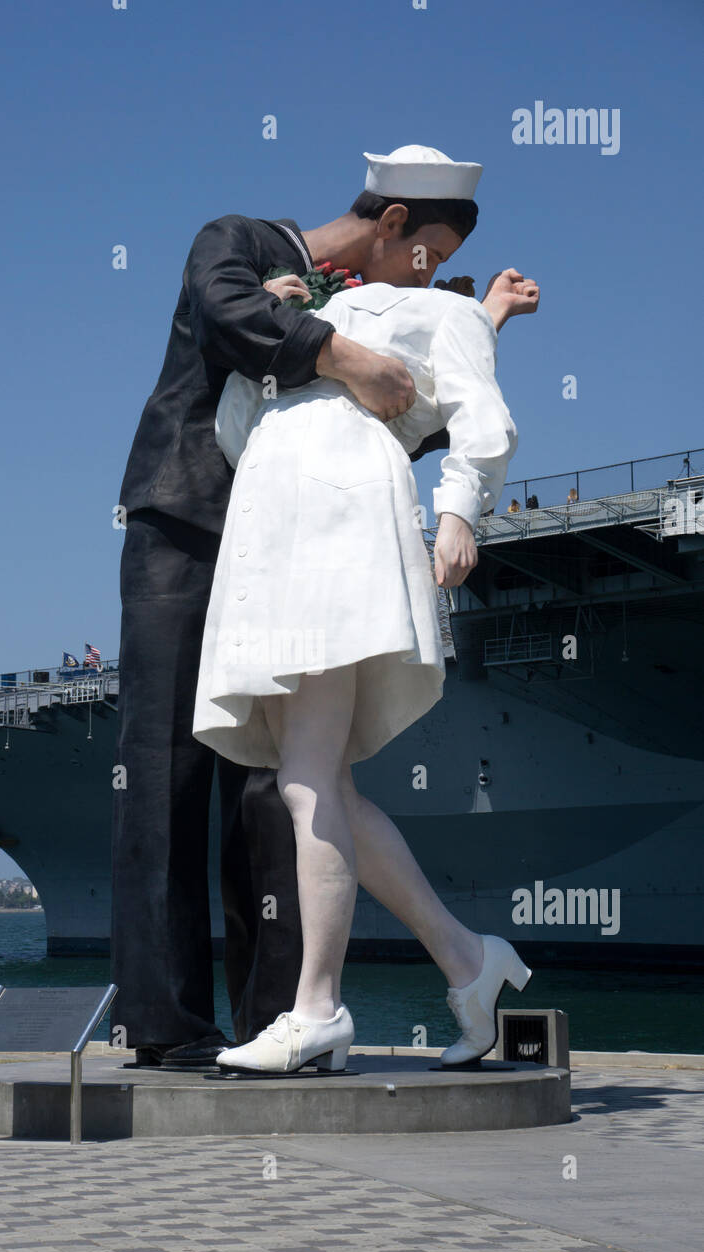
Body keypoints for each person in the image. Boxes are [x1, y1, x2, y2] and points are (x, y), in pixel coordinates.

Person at [112, 143, 538, 1068]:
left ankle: (289, 1014)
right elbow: (229, 316)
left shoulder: (379, 305)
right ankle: (172, 1025)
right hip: (188, 529)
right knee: (168, 775)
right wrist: (343, 350)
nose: (424, 279)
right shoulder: (238, 241)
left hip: (297, 543)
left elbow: (406, 418)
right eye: (423, 256)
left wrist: (467, 328)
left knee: (286, 787)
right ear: (391, 224)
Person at [193, 263, 537, 1075]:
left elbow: (480, 414)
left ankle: (317, 1006)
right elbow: (237, 435)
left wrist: (459, 512)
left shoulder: (429, 311)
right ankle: (467, 959)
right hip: (273, 527)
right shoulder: (306, 328)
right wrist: (277, 330)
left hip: (337, 526)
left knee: (306, 780)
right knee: (327, 787)